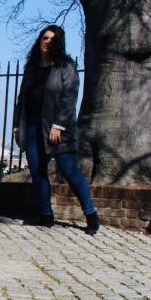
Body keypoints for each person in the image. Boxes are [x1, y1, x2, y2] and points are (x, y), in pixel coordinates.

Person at [13, 24, 100, 234]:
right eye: (44, 38)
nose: (47, 42)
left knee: (70, 171)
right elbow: (21, 99)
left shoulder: (66, 67)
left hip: (58, 130)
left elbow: (69, 98)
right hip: (32, 128)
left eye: (52, 39)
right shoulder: (31, 68)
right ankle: (46, 215)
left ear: (58, 43)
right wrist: (17, 127)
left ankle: (91, 214)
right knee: (37, 172)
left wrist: (58, 125)